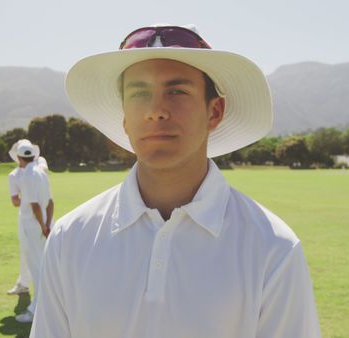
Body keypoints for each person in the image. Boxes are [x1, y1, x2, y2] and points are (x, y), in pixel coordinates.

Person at [30, 25, 321, 338]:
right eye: (139, 93)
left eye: (177, 91)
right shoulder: (70, 237)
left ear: (215, 111)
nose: (156, 111)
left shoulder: (272, 247)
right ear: (124, 117)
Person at [10, 141, 54, 323]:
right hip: (44, 225)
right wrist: (48, 224)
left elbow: (34, 205)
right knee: (41, 265)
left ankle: (36, 310)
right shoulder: (42, 173)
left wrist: (43, 225)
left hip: (32, 226)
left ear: (20, 158)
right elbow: (50, 202)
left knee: (36, 268)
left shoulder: (26, 177)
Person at [5, 139, 47, 296]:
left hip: (38, 216)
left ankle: (43, 293)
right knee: (26, 251)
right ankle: (23, 283)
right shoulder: (14, 175)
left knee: (39, 255)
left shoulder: (38, 166)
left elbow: (43, 167)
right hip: (27, 217)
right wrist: (29, 199)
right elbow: (15, 201)